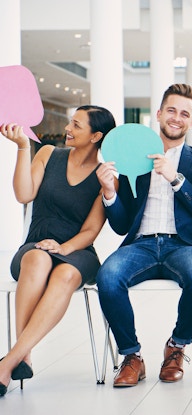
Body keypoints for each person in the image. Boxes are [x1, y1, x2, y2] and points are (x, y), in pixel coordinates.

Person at [95, 83, 192, 388]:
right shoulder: (132, 158)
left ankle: (176, 346)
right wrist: (110, 193)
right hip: (141, 244)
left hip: (184, 245)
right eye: (171, 110)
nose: (176, 118)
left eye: (184, 114)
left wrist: (176, 179)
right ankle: (132, 356)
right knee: (107, 277)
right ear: (159, 114)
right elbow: (122, 225)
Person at [0, 106, 116, 396]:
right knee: (38, 259)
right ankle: (22, 356)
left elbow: (91, 230)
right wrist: (23, 148)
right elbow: (23, 194)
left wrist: (63, 247)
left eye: (76, 125)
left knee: (64, 274)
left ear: (96, 136)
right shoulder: (48, 153)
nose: (68, 128)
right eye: (70, 122)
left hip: (77, 251)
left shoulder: (104, 175)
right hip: (36, 245)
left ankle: (10, 361)